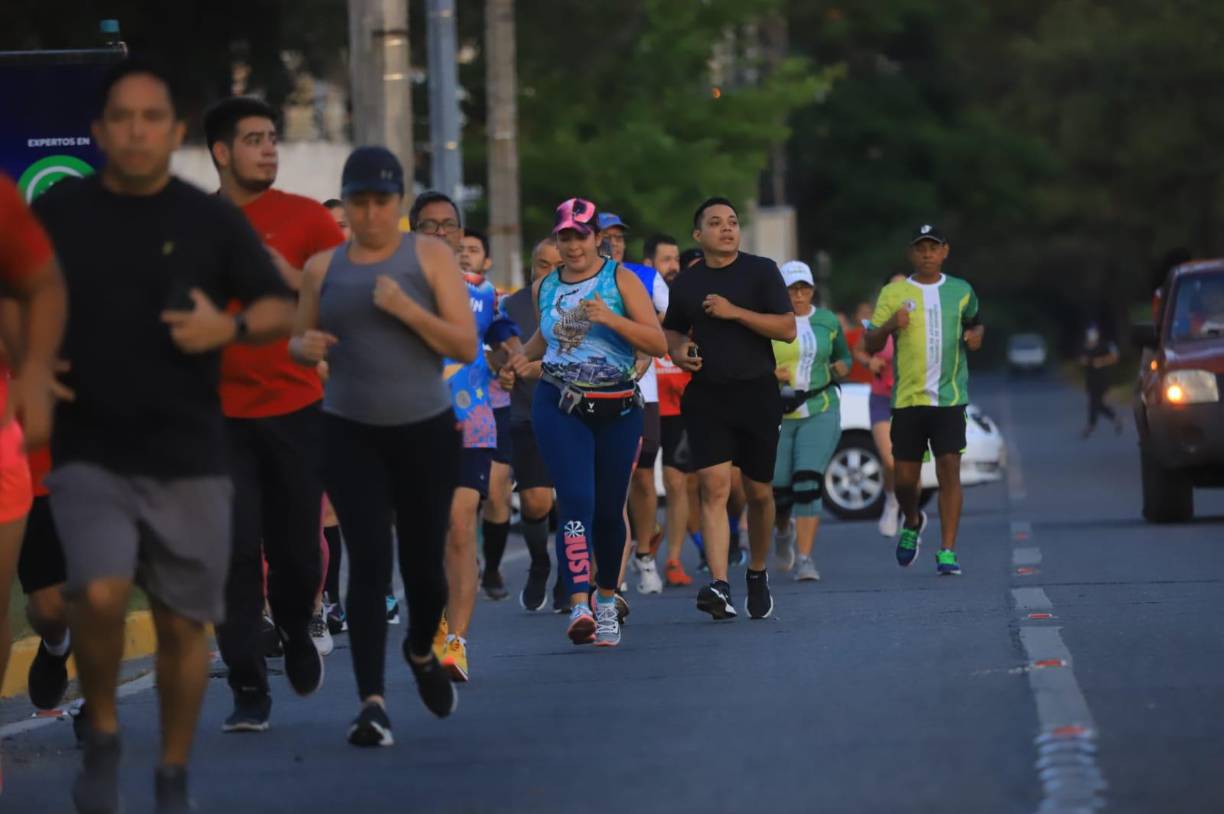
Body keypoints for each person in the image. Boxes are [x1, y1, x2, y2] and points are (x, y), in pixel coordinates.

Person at [33, 59, 296, 813]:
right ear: (99, 132)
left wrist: (231, 325)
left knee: (185, 625)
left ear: (175, 133)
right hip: (90, 448)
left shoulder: (208, 219)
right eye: (123, 118)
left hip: (189, 450)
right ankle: (106, 728)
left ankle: (172, 770)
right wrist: (30, 362)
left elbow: (280, 307)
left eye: (153, 118)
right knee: (100, 591)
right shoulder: (62, 215)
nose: (138, 131)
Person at [291, 146, 471, 747]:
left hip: (423, 429)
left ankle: (421, 650)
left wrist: (404, 309)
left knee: (423, 569)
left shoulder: (429, 259)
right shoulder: (323, 268)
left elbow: (464, 346)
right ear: (346, 202)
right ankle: (371, 703)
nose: (369, 214)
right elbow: (301, 341)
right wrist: (304, 349)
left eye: (381, 202)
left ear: (396, 205)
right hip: (349, 431)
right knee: (368, 563)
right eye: (359, 202)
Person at [203, 96, 347, 731]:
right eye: (253, 139)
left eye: (271, 138)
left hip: (296, 409)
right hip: (216, 418)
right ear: (221, 152)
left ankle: (292, 625)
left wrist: (297, 278)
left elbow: (348, 297)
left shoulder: (308, 219)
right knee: (231, 553)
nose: (269, 148)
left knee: (297, 555)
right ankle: (246, 683)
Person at [507, 198, 666, 647]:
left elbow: (654, 341)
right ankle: (579, 604)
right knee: (575, 500)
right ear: (556, 241)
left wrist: (609, 317)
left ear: (597, 237)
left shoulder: (621, 279)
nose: (573, 245)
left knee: (608, 508)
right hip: (560, 403)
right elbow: (545, 337)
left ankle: (607, 599)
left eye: (581, 235)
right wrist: (520, 359)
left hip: (617, 407)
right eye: (565, 237)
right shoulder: (547, 286)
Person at [663, 197, 795, 621]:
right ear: (698, 235)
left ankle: (756, 572)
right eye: (715, 223)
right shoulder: (686, 284)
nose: (726, 228)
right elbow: (670, 331)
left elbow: (787, 329)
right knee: (714, 487)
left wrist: (733, 311)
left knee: (758, 494)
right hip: (708, 397)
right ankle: (720, 584)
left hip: (757, 393)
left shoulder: (762, 271)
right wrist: (680, 349)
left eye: (733, 222)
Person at [410, 192, 519, 683]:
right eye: (428, 226)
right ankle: (431, 622)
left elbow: (505, 338)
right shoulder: (393, 285)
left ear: (459, 233)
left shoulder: (482, 291)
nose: (439, 233)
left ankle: (456, 642)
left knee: (458, 525)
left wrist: (512, 361)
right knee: (423, 533)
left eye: (447, 225)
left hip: (471, 423)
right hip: (409, 422)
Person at [865, 224, 983, 576]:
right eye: (921, 248)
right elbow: (869, 343)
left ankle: (947, 550)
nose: (928, 254)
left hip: (949, 398)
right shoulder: (894, 292)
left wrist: (976, 336)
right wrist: (889, 326)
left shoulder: (962, 291)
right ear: (911, 254)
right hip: (907, 399)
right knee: (903, 479)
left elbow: (976, 323)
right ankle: (913, 520)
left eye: (934, 247)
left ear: (945, 251)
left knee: (949, 471)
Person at [0, 175, 67, 727]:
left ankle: (63, 653)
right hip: (22, 461)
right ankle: (57, 642)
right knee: (31, 605)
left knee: (70, 599)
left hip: (71, 470)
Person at [598, 212, 670, 595]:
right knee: (609, 479)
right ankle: (612, 561)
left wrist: (644, 343)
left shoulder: (644, 277)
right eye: (607, 236)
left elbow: (667, 321)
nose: (615, 243)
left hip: (646, 390)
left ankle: (644, 555)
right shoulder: (583, 280)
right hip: (599, 387)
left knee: (643, 476)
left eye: (620, 237)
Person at [770, 261, 850, 581]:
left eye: (804, 288)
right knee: (779, 491)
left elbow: (843, 354)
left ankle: (805, 558)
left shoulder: (827, 321)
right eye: (792, 289)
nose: (799, 295)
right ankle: (781, 533)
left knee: (807, 482)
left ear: (812, 290)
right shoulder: (770, 322)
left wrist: (843, 365)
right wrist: (770, 374)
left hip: (820, 405)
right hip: (779, 413)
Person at [497, 238, 562, 612]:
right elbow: (495, 355)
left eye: (556, 265)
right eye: (542, 265)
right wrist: (504, 371)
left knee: (571, 500)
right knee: (537, 503)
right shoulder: (512, 305)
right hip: (528, 413)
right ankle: (540, 562)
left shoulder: (582, 301)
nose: (549, 273)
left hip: (574, 411)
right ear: (531, 266)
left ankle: (572, 576)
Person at [460, 228, 513, 602]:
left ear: (487, 260)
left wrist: (508, 363)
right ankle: (462, 561)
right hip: (450, 407)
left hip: (493, 405)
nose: (465, 254)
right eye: (459, 249)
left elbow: (506, 346)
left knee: (496, 492)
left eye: (474, 250)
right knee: (461, 500)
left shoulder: (494, 300)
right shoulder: (434, 292)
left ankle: (491, 565)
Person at [643, 234, 695, 587]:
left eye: (676, 259)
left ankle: (674, 558)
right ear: (649, 265)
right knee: (640, 480)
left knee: (677, 482)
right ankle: (644, 542)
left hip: (680, 404)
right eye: (666, 260)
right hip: (645, 399)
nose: (674, 266)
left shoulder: (688, 299)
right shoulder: (634, 297)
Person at [852, 272, 908, 537]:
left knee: (908, 464)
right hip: (882, 398)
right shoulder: (878, 321)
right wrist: (869, 362)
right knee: (891, 461)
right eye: (894, 288)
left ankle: (910, 512)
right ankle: (892, 501)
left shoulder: (919, 321)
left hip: (911, 399)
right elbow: (859, 350)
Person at [1078, 324, 1121, 438]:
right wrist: (1086, 361)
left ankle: (1091, 426)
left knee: (1095, 403)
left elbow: (1114, 357)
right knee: (1097, 404)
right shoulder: (1085, 347)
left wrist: (1101, 361)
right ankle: (1115, 418)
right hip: (1090, 379)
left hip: (1102, 379)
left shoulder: (1104, 345)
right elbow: (1082, 360)